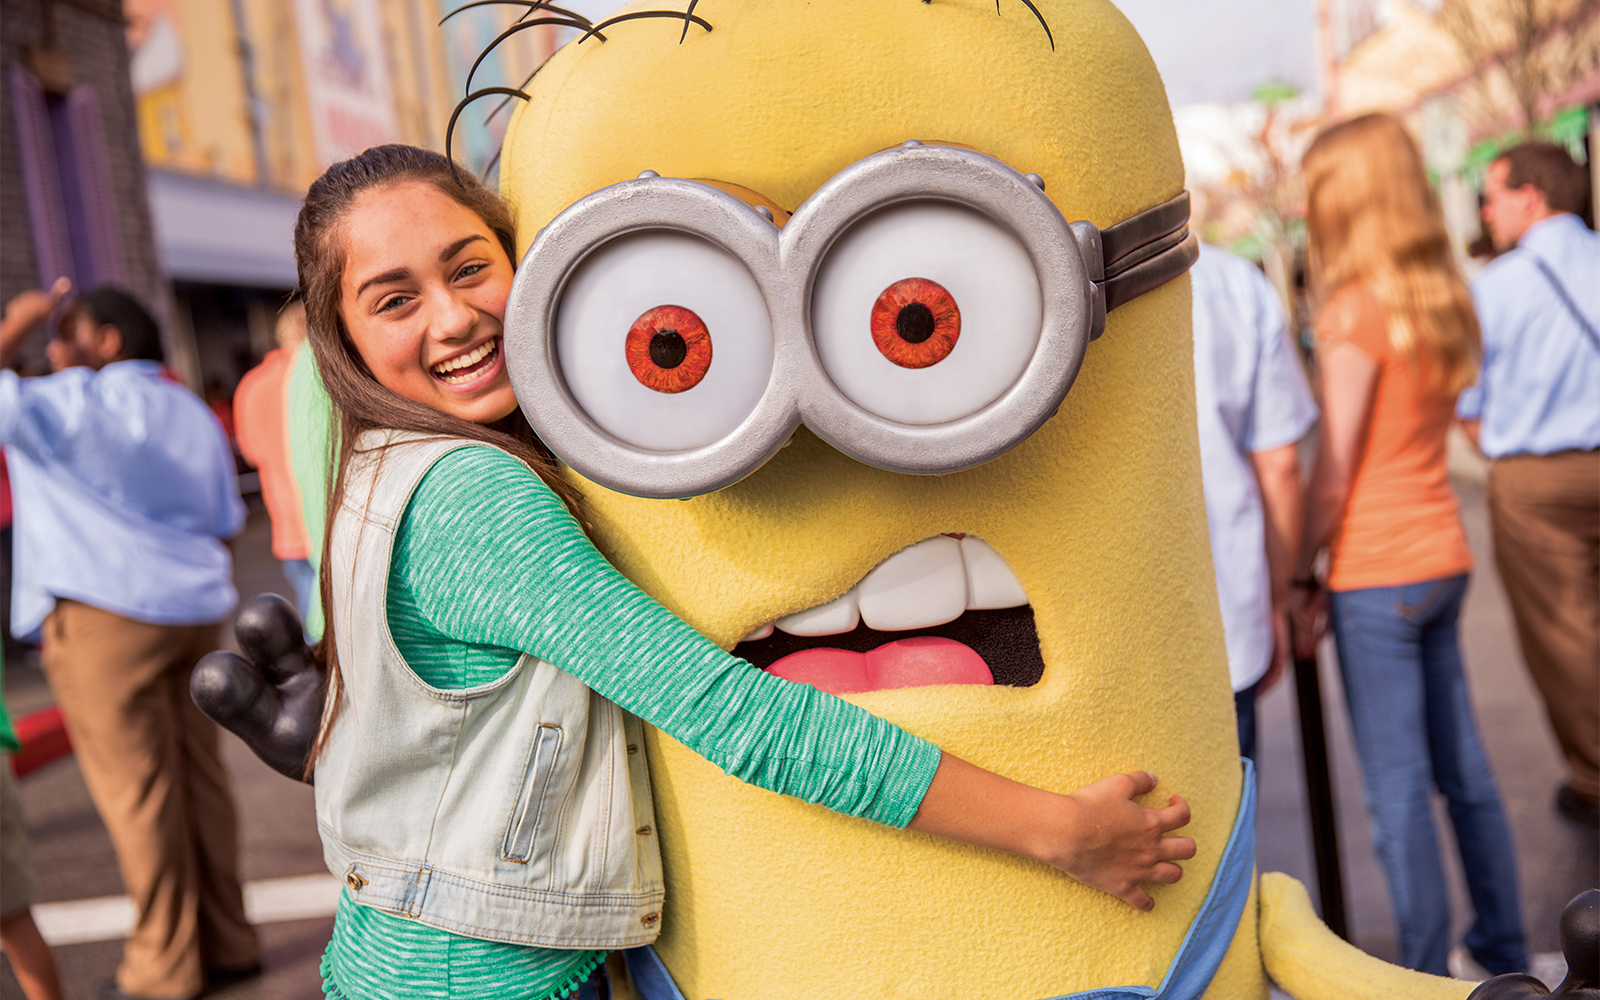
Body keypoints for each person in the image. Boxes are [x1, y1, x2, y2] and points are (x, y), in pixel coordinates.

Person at [277, 144, 1193, 1000]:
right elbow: (732, 714)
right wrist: (1058, 831)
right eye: (394, 301)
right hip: (474, 979)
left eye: (470, 267)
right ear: (342, 336)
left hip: (399, 955)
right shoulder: (471, 494)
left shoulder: (383, 466)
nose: (452, 318)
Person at [1290, 113, 1527, 979]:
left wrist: (1295, 572)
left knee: (1397, 790)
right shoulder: (1439, 295)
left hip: (1377, 574)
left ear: (1347, 199)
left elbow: (1333, 475)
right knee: (1465, 775)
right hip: (1440, 555)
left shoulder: (1353, 311)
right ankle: (1503, 950)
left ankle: (1424, 976)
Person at [0, 283, 260, 1000]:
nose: (54, 347)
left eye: (65, 332)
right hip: (194, 609)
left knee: (139, 796)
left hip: (103, 616)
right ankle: (230, 941)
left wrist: (17, 321)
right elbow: (224, 515)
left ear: (106, 340)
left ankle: (163, 968)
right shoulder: (187, 408)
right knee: (201, 779)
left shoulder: (74, 400)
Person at [1458, 141, 1599, 830]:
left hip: (1535, 481)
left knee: (1565, 635)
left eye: (1492, 197)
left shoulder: (1494, 287)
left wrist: (1506, 454)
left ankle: (1594, 775)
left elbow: (1469, 409)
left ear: (1532, 196)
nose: (1485, 212)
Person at [1190, 242, 1318, 760]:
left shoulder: (1042, 267)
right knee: (1229, 797)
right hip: (1226, 611)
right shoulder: (1234, 283)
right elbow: (1280, 466)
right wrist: (1280, 598)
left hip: (1089, 632)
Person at [234, 301, 316, 622]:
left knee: (314, 618)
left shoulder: (251, 385)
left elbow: (251, 453)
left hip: (287, 525)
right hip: (329, 519)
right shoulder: (322, 375)